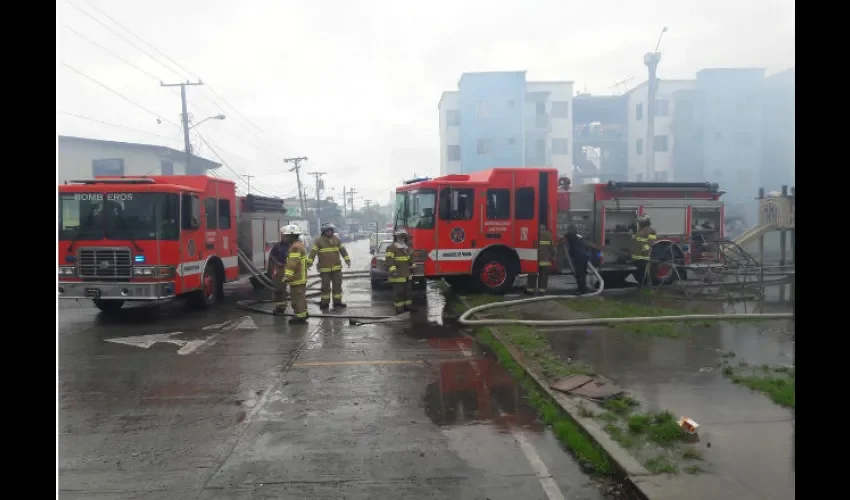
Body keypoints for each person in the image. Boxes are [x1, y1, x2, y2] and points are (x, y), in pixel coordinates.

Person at [307, 222, 351, 309]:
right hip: (324, 269)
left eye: (330, 231)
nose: (329, 232)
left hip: (337, 268)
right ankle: (325, 303)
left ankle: (337, 302)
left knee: (337, 286)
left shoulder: (336, 239)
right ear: (324, 231)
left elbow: (343, 250)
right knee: (325, 287)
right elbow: (313, 253)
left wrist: (347, 260)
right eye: (327, 231)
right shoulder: (319, 240)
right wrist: (309, 263)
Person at [280, 224, 309, 324]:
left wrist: (286, 276)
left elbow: (292, 263)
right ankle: (303, 314)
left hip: (297, 278)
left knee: (297, 299)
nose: (285, 237)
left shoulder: (295, 247)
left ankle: (300, 317)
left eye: (287, 236)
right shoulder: (299, 245)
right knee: (301, 297)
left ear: (291, 236)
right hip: (300, 278)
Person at [563, 224, 603, 294]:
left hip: (579, 257)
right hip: (584, 257)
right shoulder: (577, 237)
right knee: (582, 274)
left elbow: (566, 238)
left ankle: (581, 289)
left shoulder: (571, 237)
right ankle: (583, 288)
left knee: (580, 274)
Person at [386, 229, 416, 314]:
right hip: (397, 275)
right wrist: (393, 271)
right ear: (396, 237)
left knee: (408, 292)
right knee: (399, 293)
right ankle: (399, 309)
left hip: (407, 274)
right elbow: (389, 260)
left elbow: (411, 259)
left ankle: (408, 307)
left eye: (403, 236)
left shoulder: (407, 248)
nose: (401, 238)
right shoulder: (391, 247)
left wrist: (413, 266)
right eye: (399, 236)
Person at [526, 223, 554, 295]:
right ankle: (542, 290)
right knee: (543, 276)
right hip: (545, 260)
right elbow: (552, 248)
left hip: (534, 258)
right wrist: (552, 256)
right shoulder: (548, 235)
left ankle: (530, 290)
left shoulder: (534, 233)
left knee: (532, 274)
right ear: (545, 229)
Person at [269, 228, 291, 314]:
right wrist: (277, 263)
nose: (283, 237)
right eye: (282, 235)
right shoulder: (277, 246)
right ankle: (280, 307)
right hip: (280, 269)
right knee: (279, 289)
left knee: (296, 291)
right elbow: (272, 256)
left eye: (285, 236)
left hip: (290, 269)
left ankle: (298, 310)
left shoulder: (293, 246)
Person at [631, 214, 657, 286]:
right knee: (639, 274)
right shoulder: (641, 230)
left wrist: (645, 251)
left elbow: (650, 243)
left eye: (640, 222)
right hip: (638, 257)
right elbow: (638, 240)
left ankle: (645, 287)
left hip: (643, 257)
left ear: (644, 223)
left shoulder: (651, 231)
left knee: (642, 275)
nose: (639, 224)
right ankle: (644, 286)